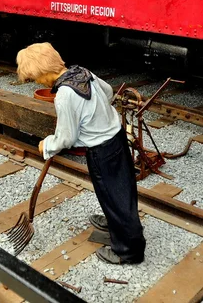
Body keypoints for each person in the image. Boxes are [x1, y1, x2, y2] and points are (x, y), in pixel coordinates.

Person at [16, 42, 146, 264]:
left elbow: (66, 138)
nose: (37, 83)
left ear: (43, 71)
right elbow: (107, 92)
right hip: (116, 137)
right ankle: (115, 223)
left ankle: (128, 251)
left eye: (36, 78)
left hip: (102, 151)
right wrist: (95, 116)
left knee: (114, 195)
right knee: (123, 191)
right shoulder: (82, 72)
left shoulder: (64, 95)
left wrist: (46, 145)